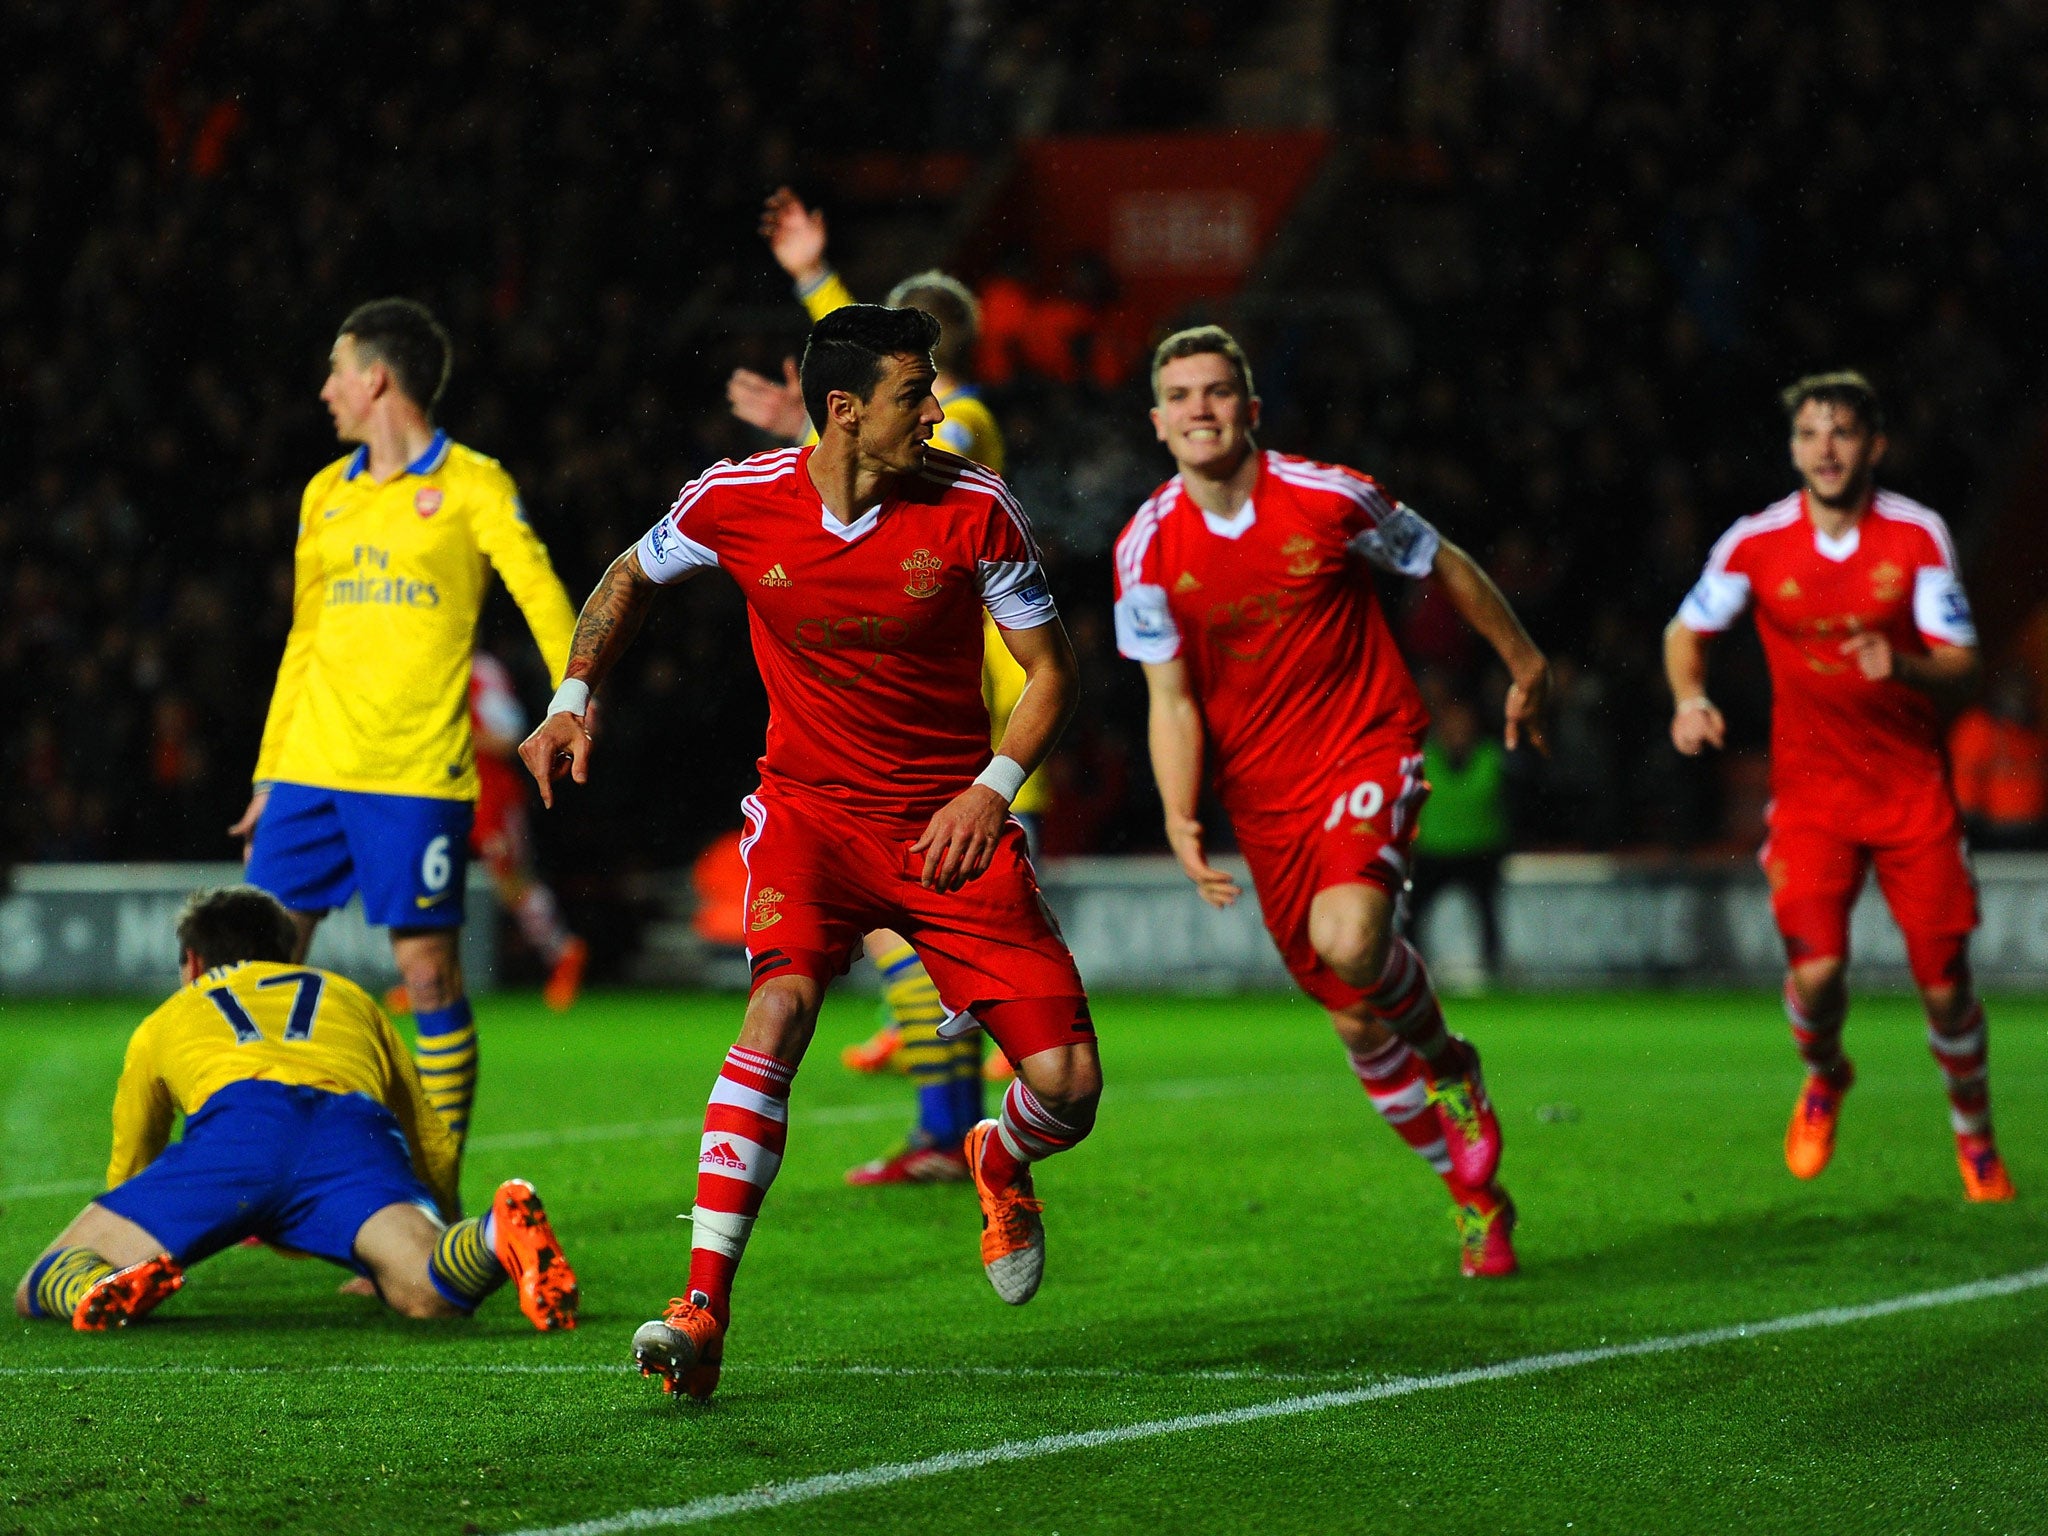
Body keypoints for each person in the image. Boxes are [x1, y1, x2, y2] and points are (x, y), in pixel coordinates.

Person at [522, 303, 1100, 1399]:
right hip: (808, 818)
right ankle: (701, 1312)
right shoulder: (738, 499)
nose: (937, 410)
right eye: (913, 394)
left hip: (946, 822)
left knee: (1067, 1087)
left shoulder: (972, 508)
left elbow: (1053, 673)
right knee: (776, 1012)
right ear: (842, 410)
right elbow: (626, 576)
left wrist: (991, 789)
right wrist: (570, 699)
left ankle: (1000, 1153)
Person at [1113, 327, 1550, 1279]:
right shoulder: (1144, 547)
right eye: (1181, 395)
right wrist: (1179, 815)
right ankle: (1473, 1197)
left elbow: (1442, 560)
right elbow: (1172, 699)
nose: (1200, 409)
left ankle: (1451, 1065)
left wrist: (1523, 664)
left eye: (1218, 391)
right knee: (1354, 1018)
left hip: (1366, 747)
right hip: (1263, 799)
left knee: (1356, 941)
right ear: (1157, 422)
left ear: (1251, 407)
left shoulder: (1330, 497)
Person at [229, 299, 578, 1164]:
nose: (325, 391)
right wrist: (269, 774)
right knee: (256, 977)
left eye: (337, 372)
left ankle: (435, 1187)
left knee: (427, 977)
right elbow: (304, 640)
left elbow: (538, 588)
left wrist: (574, 691)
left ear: (376, 377)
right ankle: (253, 1169)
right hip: (310, 768)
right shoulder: (324, 494)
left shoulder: (473, 484)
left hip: (415, 776)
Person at [728, 187, 1030, 1184]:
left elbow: (908, 468)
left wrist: (815, 284)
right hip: (924, 698)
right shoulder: (890, 423)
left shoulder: (966, 425)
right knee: (911, 931)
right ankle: (948, 1123)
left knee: (917, 928)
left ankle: (954, 1129)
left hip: (955, 709)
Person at [1666, 371, 2009, 1200]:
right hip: (1813, 797)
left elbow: (1965, 670)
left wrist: (1908, 665)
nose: (1826, 448)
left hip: (1909, 793)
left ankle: (1974, 1133)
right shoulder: (1754, 541)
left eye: (1843, 432)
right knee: (1817, 979)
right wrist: (1689, 698)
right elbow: (1686, 628)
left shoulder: (1917, 538)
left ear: (1874, 446)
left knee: (1946, 985)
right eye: (1812, 433)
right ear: (1792, 449)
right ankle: (1825, 1076)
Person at [13, 886, 578, 1332]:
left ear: (191, 961)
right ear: (285, 952)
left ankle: (93, 1285)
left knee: (42, 1278)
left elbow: (135, 1152)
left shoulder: (174, 1011)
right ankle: (493, 1232)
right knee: (428, 1291)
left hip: (242, 1129)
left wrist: (137, 1223)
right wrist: (437, 1218)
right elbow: (425, 1132)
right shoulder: (348, 995)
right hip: (352, 1134)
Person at [1411, 694, 1510, 980]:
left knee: (1489, 919)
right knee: (1411, 918)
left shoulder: (1492, 756)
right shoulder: (1422, 758)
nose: (1457, 729)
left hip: (1481, 852)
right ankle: (1413, 975)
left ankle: (1495, 975)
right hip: (1433, 854)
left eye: (1463, 722)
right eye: (1451, 723)